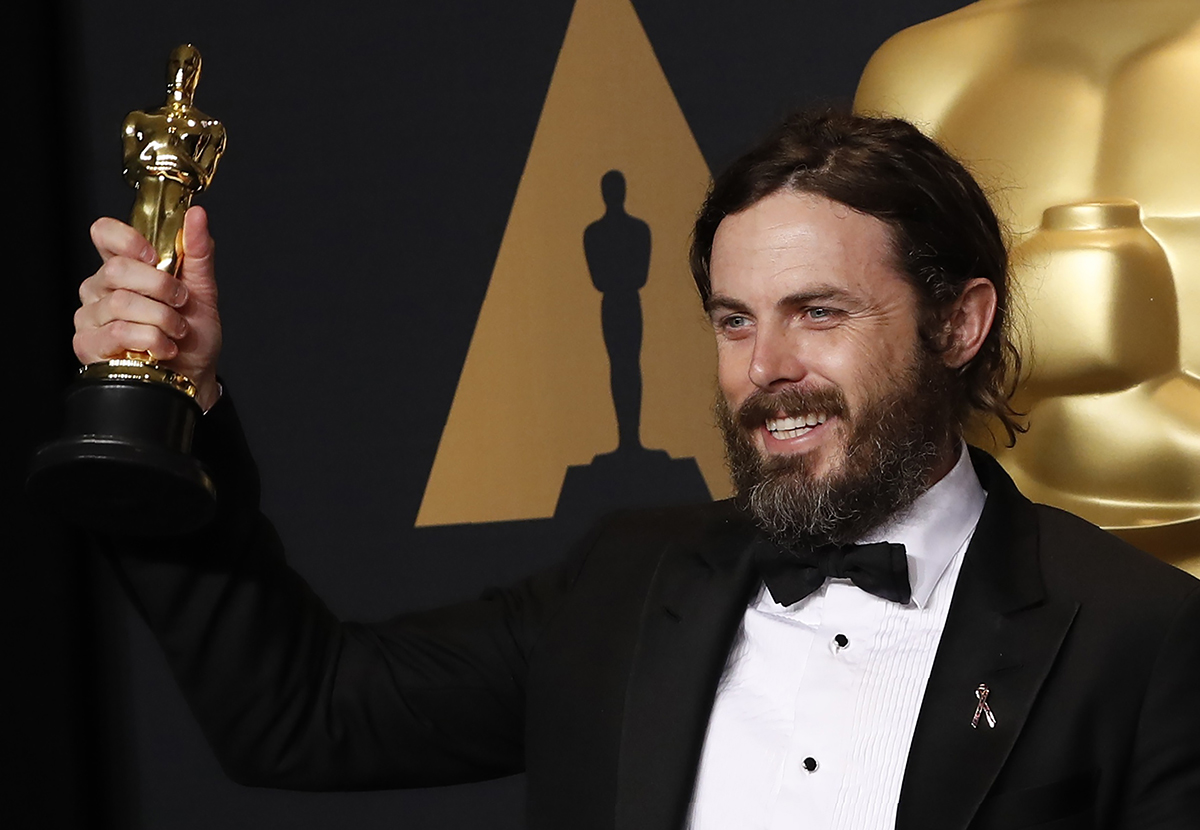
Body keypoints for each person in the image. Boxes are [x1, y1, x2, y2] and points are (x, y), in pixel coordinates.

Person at [73, 109, 1200, 830]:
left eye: (819, 312)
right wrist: (173, 405)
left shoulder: (1138, 633)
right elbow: (301, 713)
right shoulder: (627, 579)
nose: (767, 369)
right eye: (732, 318)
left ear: (959, 323)